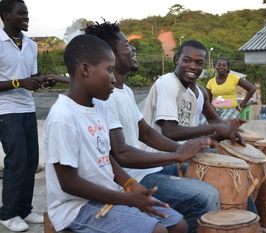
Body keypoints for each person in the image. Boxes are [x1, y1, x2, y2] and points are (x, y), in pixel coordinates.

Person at [44, 34, 190, 233]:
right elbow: (69, 183)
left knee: (178, 224)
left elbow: (104, 155)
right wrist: (124, 198)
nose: (113, 79)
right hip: (77, 208)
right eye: (109, 70)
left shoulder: (99, 107)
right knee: (157, 230)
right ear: (85, 69)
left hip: (109, 194)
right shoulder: (63, 117)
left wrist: (129, 184)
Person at [84, 21, 219, 233]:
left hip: (147, 169)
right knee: (206, 195)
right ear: (109, 53)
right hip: (133, 177)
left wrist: (183, 150)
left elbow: (146, 133)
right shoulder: (104, 97)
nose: (133, 49)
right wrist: (178, 155)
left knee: (214, 172)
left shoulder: (125, 91)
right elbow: (121, 153)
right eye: (126, 45)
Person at [143, 40, 258, 214]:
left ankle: (250, 225)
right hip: (158, 162)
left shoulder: (197, 92)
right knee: (224, 180)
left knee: (237, 175)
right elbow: (170, 131)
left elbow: (215, 121)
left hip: (182, 155)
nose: (193, 66)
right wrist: (218, 128)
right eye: (187, 60)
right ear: (176, 60)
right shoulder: (168, 83)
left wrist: (231, 131)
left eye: (199, 63)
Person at [0, 0, 52, 231]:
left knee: (30, 161)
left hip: (27, 107)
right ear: (5, 15)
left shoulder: (30, 44)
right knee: (17, 161)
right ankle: (8, 214)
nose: (26, 17)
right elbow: (19, 80)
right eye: (21, 13)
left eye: (27, 13)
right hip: (6, 110)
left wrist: (41, 81)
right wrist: (19, 82)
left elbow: (31, 77)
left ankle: (24, 210)